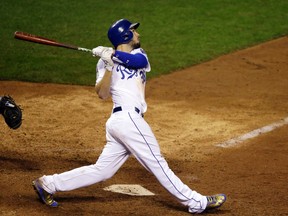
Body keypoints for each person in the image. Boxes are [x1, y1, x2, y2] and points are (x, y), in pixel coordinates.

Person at [32, 18, 226, 214]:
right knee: (157, 163)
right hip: (124, 121)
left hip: (126, 122)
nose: (138, 34)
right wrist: (108, 65)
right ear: (125, 34)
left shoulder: (138, 54)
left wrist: (113, 55)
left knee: (103, 170)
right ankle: (196, 202)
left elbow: (138, 62)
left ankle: (48, 184)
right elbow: (102, 93)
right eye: (134, 31)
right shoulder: (104, 62)